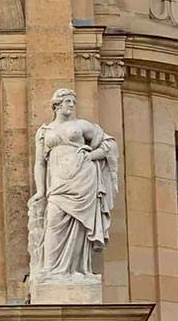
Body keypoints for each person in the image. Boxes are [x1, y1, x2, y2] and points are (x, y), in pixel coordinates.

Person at [30, 88, 118, 281]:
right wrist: (41, 191)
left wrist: (91, 155)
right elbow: (40, 163)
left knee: (78, 224)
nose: (71, 105)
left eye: (73, 101)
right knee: (54, 221)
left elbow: (109, 144)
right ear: (57, 104)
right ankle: (51, 269)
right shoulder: (45, 131)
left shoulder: (82, 125)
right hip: (59, 183)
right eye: (68, 101)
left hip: (83, 179)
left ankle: (74, 270)